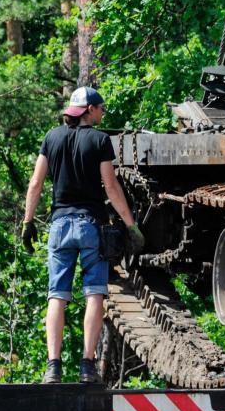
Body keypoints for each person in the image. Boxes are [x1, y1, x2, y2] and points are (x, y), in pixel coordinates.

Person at [21, 86, 145, 384]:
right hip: (91, 226)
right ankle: (87, 366)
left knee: (57, 295)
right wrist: (131, 225)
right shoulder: (100, 141)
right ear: (88, 109)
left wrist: (27, 222)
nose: (103, 112)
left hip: (60, 226)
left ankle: (53, 366)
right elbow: (111, 187)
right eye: (100, 107)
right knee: (94, 294)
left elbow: (36, 182)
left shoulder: (51, 138)